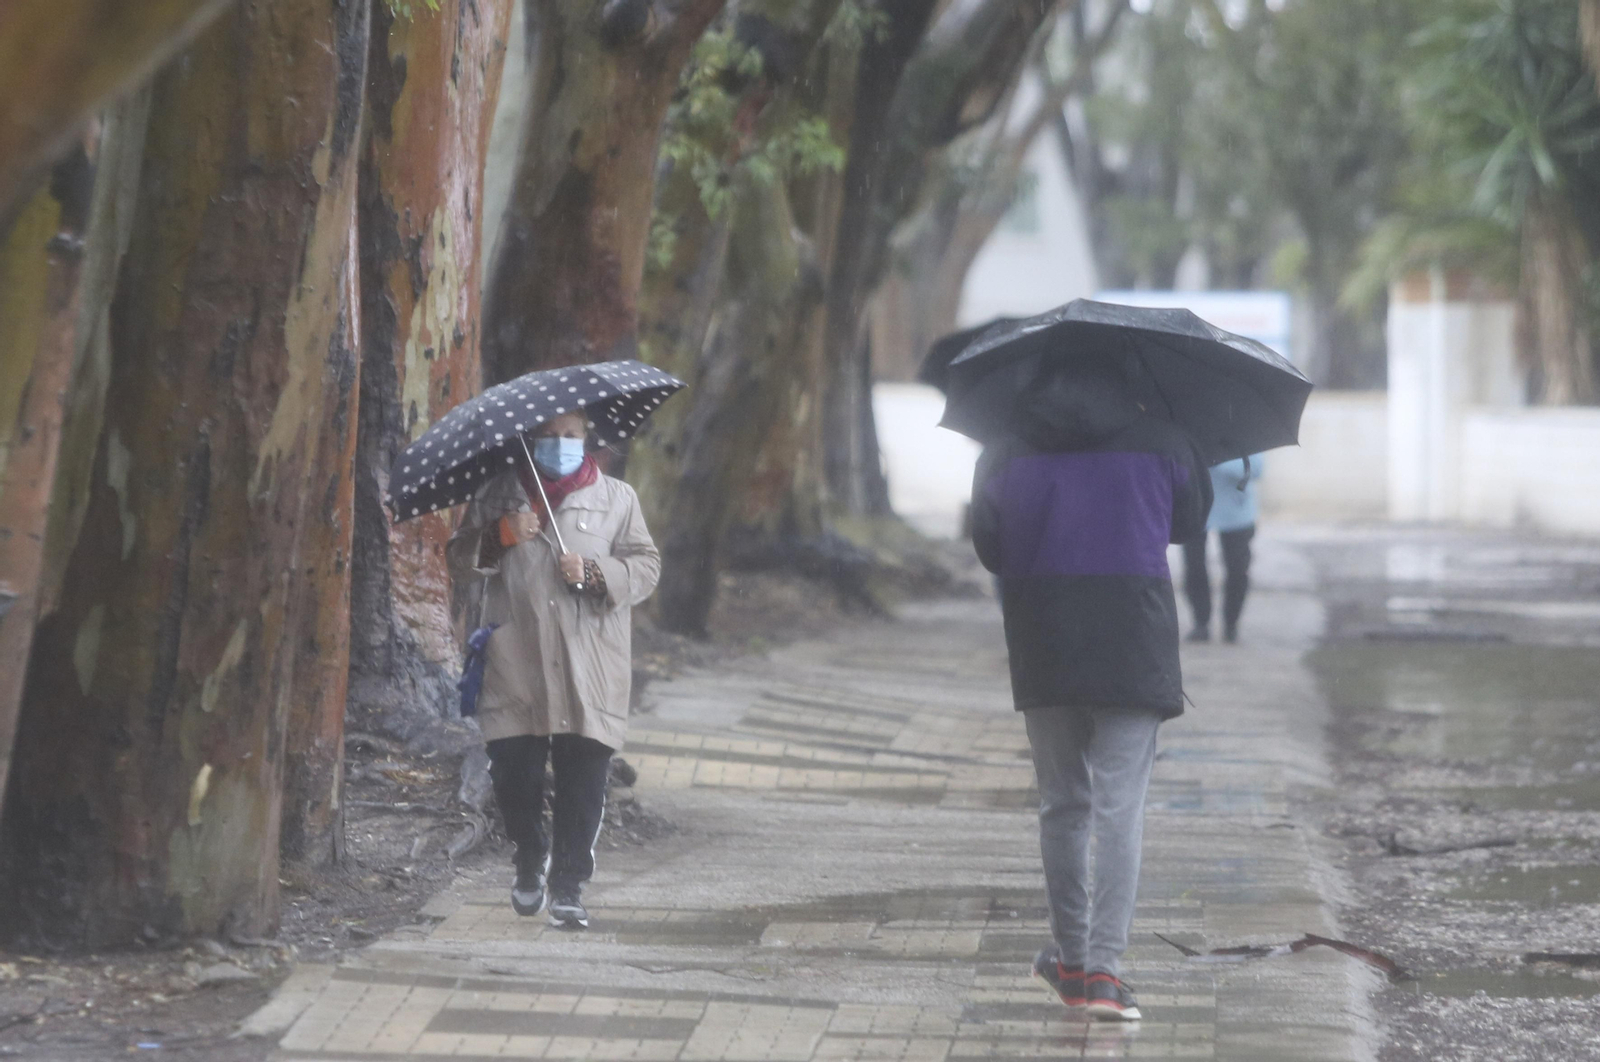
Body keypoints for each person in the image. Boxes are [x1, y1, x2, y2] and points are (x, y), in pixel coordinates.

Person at [970, 358, 1211, 1022]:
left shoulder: (1004, 449)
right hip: (1132, 642)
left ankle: (1072, 964)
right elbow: (1188, 523)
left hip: (1044, 641)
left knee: (1063, 805)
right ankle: (1106, 972)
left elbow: (990, 547)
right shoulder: (1165, 440)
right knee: (1119, 809)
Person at [446, 410, 660, 928]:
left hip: (591, 661)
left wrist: (595, 571)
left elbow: (646, 566)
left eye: (570, 435)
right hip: (515, 658)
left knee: (583, 777)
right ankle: (529, 851)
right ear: (530, 439)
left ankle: (568, 886)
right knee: (513, 773)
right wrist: (499, 534)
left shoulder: (616, 498)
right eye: (548, 436)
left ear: (586, 438)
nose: (560, 444)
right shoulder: (498, 494)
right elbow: (458, 560)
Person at [1182, 455, 1263, 644]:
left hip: (1237, 511)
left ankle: (1231, 624)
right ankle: (1201, 623)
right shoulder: (1192, 437)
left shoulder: (1245, 437)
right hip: (1195, 506)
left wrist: (1219, 461)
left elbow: (1258, 469)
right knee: (1194, 566)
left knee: (1237, 569)